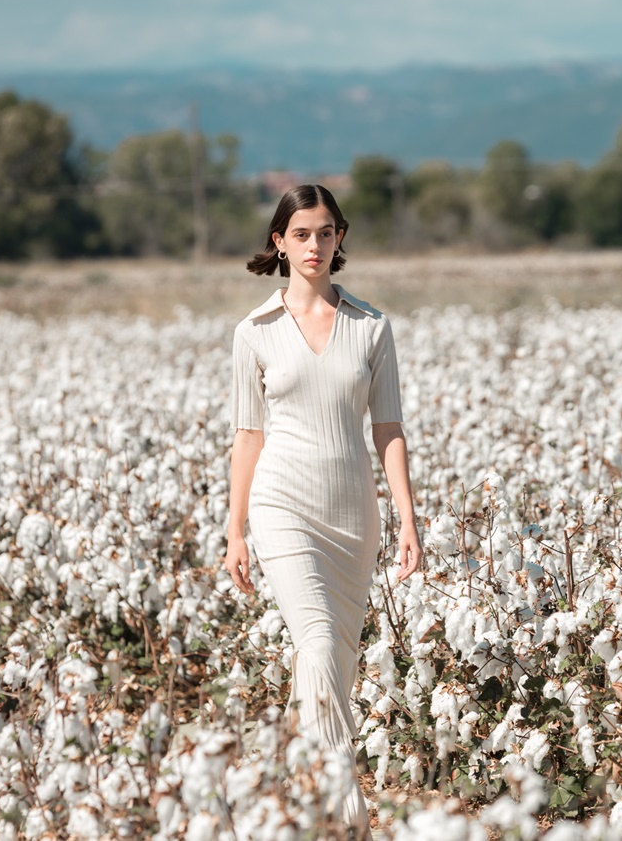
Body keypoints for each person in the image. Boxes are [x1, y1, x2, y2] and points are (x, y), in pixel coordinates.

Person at [223, 184, 421, 832]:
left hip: (352, 515)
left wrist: (408, 520)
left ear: (340, 239)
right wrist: (234, 530)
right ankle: (346, 812)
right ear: (279, 242)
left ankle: (304, 801)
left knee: (336, 661)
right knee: (312, 645)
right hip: (280, 505)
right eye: (302, 233)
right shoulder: (254, 332)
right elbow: (247, 436)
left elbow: (388, 429)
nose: (315, 245)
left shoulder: (371, 326)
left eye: (326, 233)